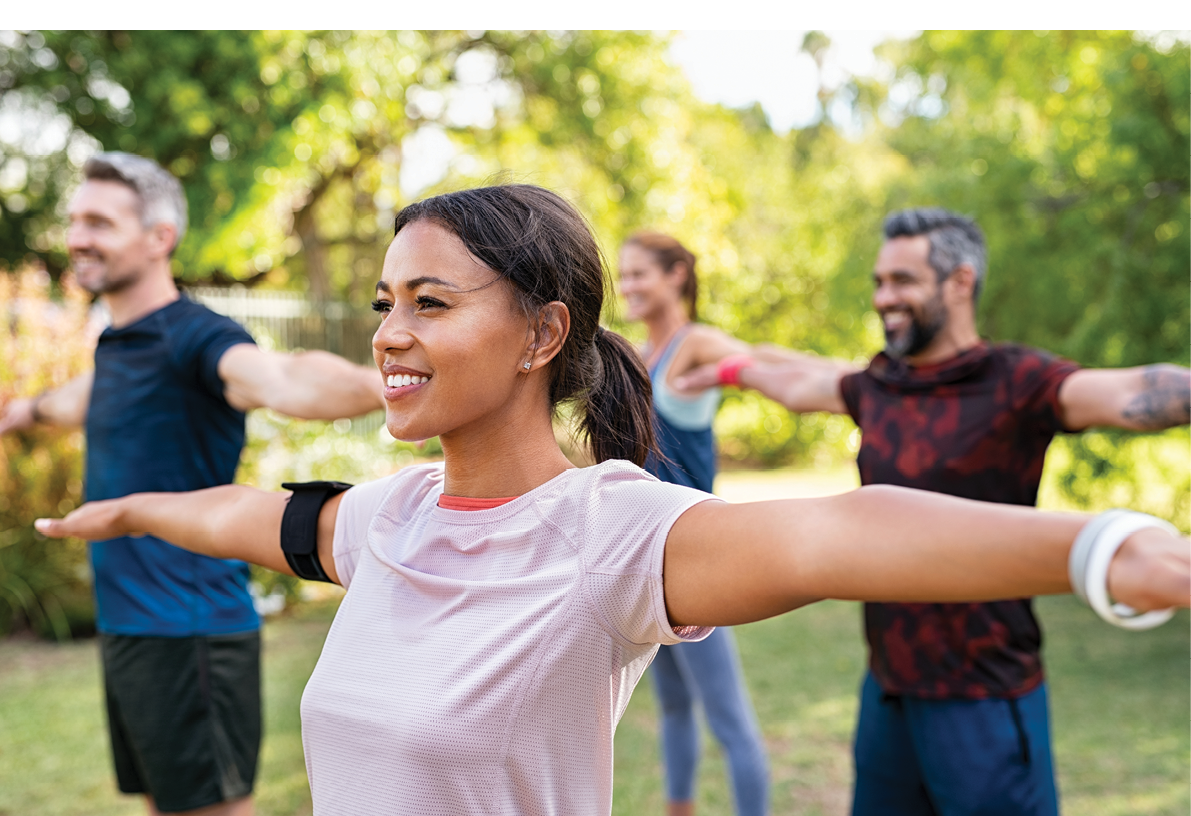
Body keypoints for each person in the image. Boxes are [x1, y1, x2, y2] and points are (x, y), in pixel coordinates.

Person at [34, 187, 1191, 816]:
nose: (390, 333)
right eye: (388, 302)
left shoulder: (610, 535)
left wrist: (1106, 547)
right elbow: (246, 516)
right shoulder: (388, 523)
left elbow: (843, 530)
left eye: (431, 302)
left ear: (544, 333)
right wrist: (132, 509)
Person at [676, 207, 1191, 816]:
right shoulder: (877, 384)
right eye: (878, 282)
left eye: (902, 281)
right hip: (888, 694)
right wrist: (729, 371)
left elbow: (1132, 392)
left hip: (984, 699)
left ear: (960, 282)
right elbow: (799, 382)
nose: (883, 298)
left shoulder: (1017, 381)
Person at [0, 152, 384, 816]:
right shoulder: (120, 343)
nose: (77, 237)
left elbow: (281, 380)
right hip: (131, 629)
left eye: (99, 221)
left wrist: (390, 385)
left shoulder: (196, 338)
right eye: (74, 219)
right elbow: (78, 401)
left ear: (159, 238)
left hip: (190, 632)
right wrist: (23, 414)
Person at [618, 232, 768, 816]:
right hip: (646, 561)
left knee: (729, 720)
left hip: (699, 558)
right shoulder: (638, 355)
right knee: (675, 708)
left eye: (639, 275)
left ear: (677, 274)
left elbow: (761, 362)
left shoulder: (697, 343)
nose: (627, 286)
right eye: (624, 275)